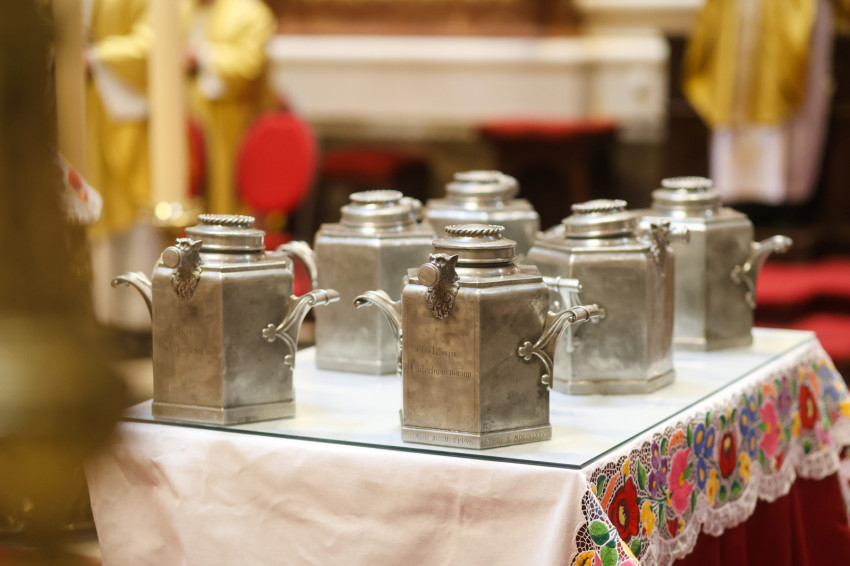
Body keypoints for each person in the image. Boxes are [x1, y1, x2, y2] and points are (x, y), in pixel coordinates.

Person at [85, 0, 161, 329]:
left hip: (127, 123)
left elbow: (154, 43)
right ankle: (99, 318)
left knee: (134, 222)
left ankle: (136, 323)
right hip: (86, 117)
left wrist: (95, 57)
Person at [186, 0, 277, 214]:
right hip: (188, 117)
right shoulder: (183, 8)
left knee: (224, 192)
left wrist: (201, 57)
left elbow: (248, 64)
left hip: (231, 121)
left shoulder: (249, 12)